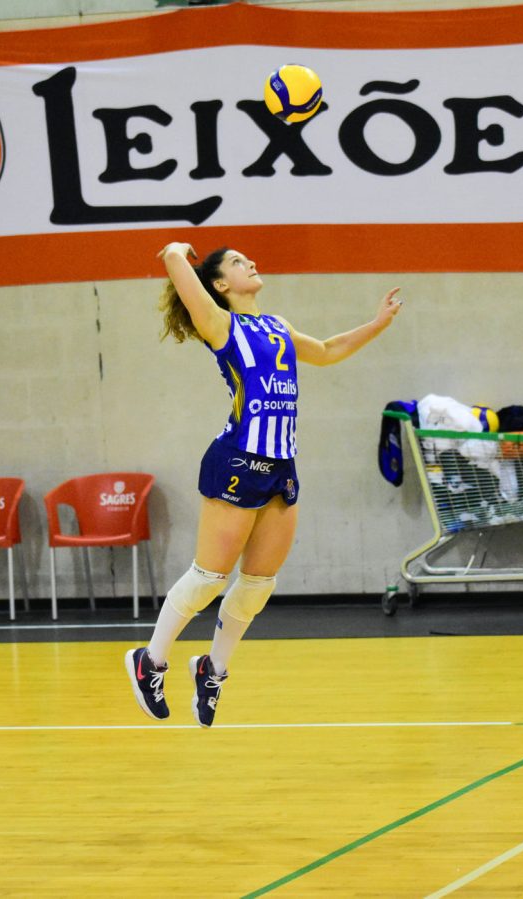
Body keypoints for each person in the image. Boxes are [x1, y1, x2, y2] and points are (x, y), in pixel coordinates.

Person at [126, 242, 402, 727]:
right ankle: (150, 660)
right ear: (220, 285)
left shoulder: (276, 326)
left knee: (257, 585)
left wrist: (377, 324)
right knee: (210, 578)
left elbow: (327, 350)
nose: (250, 262)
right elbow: (181, 276)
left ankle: (212, 669)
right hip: (236, 459)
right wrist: (174, 253)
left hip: (280, 465)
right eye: (236, 262)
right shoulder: (219, 324)